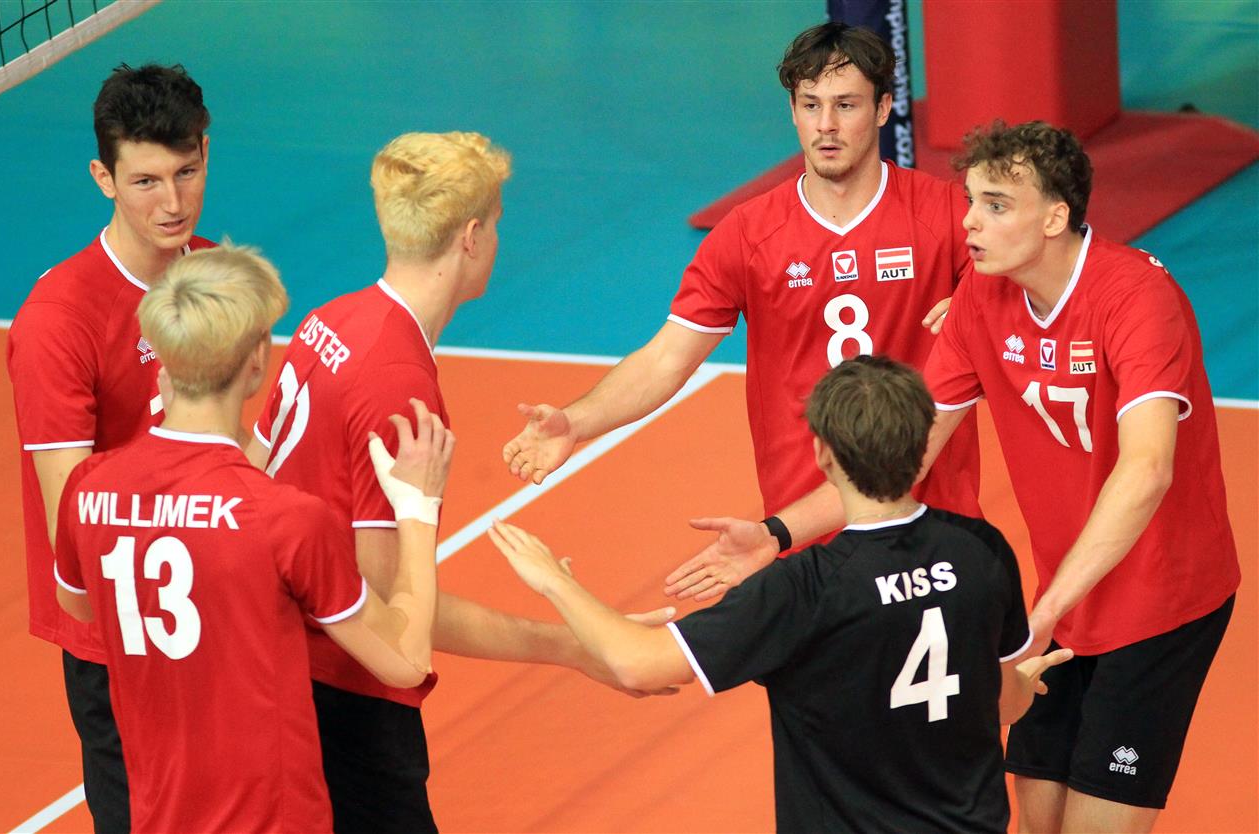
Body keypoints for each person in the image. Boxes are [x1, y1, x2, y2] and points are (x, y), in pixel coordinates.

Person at [246, 131, 672, 832]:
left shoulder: (331, 319)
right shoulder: (399, 385)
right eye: (497, 223)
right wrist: (577, 643)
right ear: (470, 237)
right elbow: (389, 613)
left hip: (276, 669)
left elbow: (251, 471)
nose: (498, 238)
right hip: (344, 703)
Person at [501, 21, 981, 602]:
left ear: (882, 109)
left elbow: (1035, 302)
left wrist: (981, 305)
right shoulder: (748, 236)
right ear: (793, 111)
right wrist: (577, 423)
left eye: (846, 105)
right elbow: (666, 359)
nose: (826, 125)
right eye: (811, 105)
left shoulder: (949, 217)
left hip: (935, 525)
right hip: (803, 535)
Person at [489, 355, 1072, 833]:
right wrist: (1022, 686)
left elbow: (639, 663)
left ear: (823, 455)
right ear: (923, 446)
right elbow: (1001, 703)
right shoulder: (981, 551)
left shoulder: (803, 589)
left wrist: (557, 583)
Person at [52, 244, 453, 833]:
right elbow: (405, 661)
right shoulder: (285, 518)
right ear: (257, 359)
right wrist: (417, 510)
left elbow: (78, 604)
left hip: (158, 816)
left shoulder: (88, 488)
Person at [920, 120, 1239, 833]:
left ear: (1054, 217)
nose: (969, 221)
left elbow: (1148, 469)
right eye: (971, 201)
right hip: (1066, 601)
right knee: (1039, 822)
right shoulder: (981, 296)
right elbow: (906, 452)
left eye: (996, 204)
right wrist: (782, 538)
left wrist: (1040, 617)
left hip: (1162, 602)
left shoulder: (1135, 297)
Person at [6, 62, 214, 831]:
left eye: (186, 172)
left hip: (211, 595)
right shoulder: (59, 320)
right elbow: (73, 515)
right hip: (121, 623)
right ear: (104, 179)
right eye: (145, 182)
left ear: (206, 151)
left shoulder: (211, 272)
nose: (173, 203)